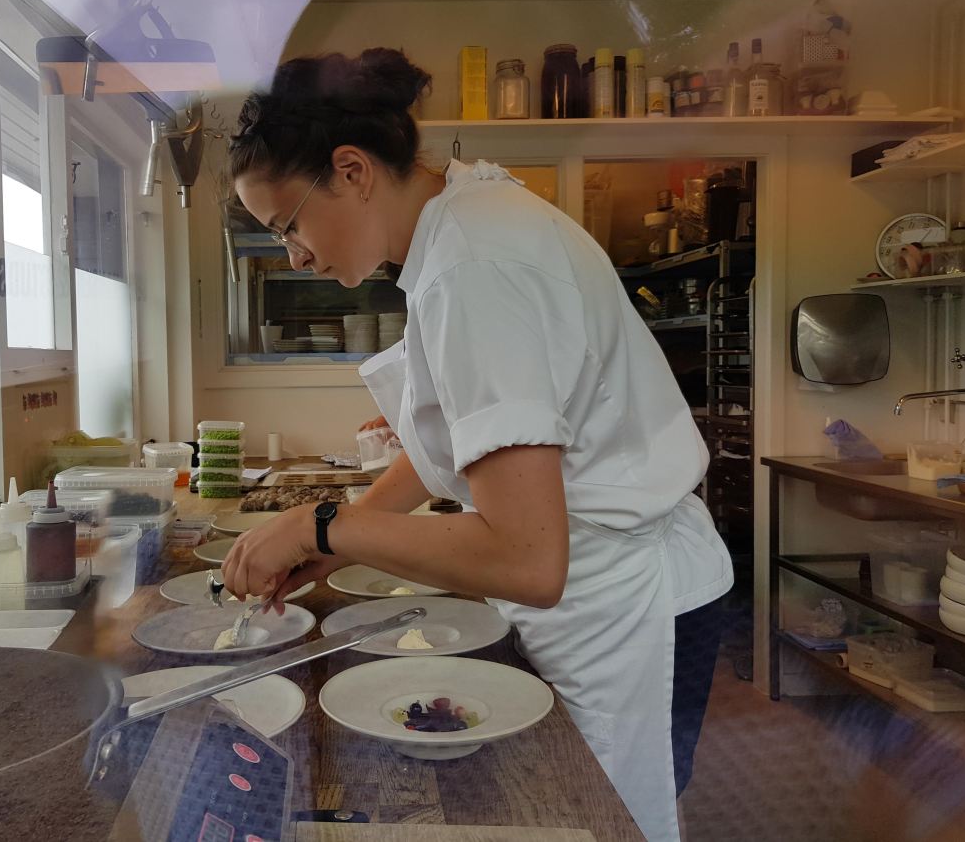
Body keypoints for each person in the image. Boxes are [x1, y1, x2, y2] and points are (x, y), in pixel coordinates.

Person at [220, 47, 733, 842]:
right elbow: (451, 449)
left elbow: (528, 559)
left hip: (626, 609)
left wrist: (323, 525)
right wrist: (342, 532)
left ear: (352, 171)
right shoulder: (461, 225)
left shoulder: (475, 266)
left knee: (602, 823)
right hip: (601, 590)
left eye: (287, 225)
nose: (295, 255)